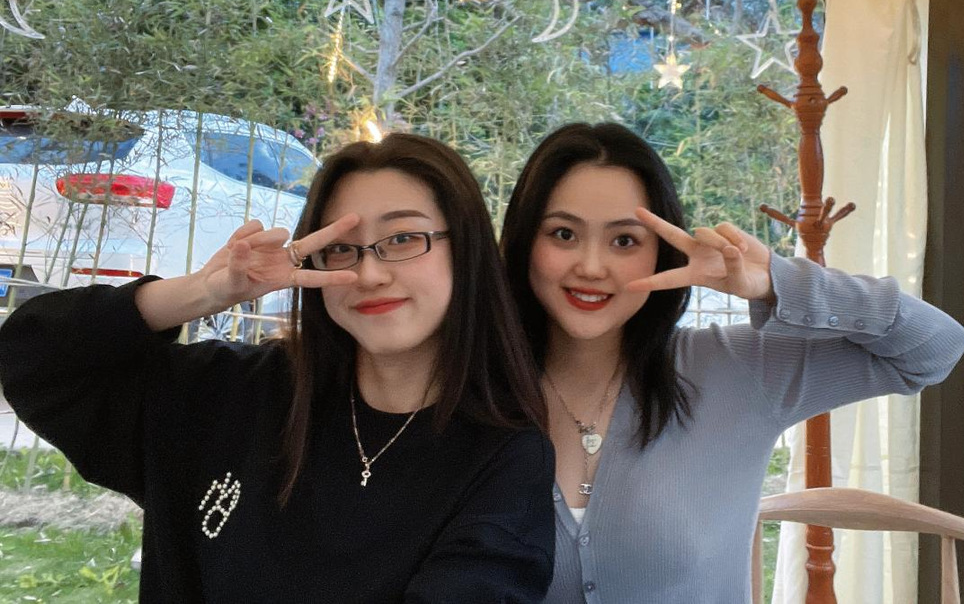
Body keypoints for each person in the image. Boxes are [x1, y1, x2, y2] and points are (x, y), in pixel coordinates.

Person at [0, 134, 555, 603]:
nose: (368, 275)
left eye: (404, 239)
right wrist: (202, 292)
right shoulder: (229, 392)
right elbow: (32, 358)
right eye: (341, 248)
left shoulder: (503, 456)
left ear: (466, 252)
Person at [499, 122, 964, 604]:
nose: (591, 267)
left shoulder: (732, 370)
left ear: (660, 254)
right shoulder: (478, 390)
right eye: (563, 234)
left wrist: (777, 282)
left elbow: (934, 347)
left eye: (624, 241)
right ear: (525, 242)